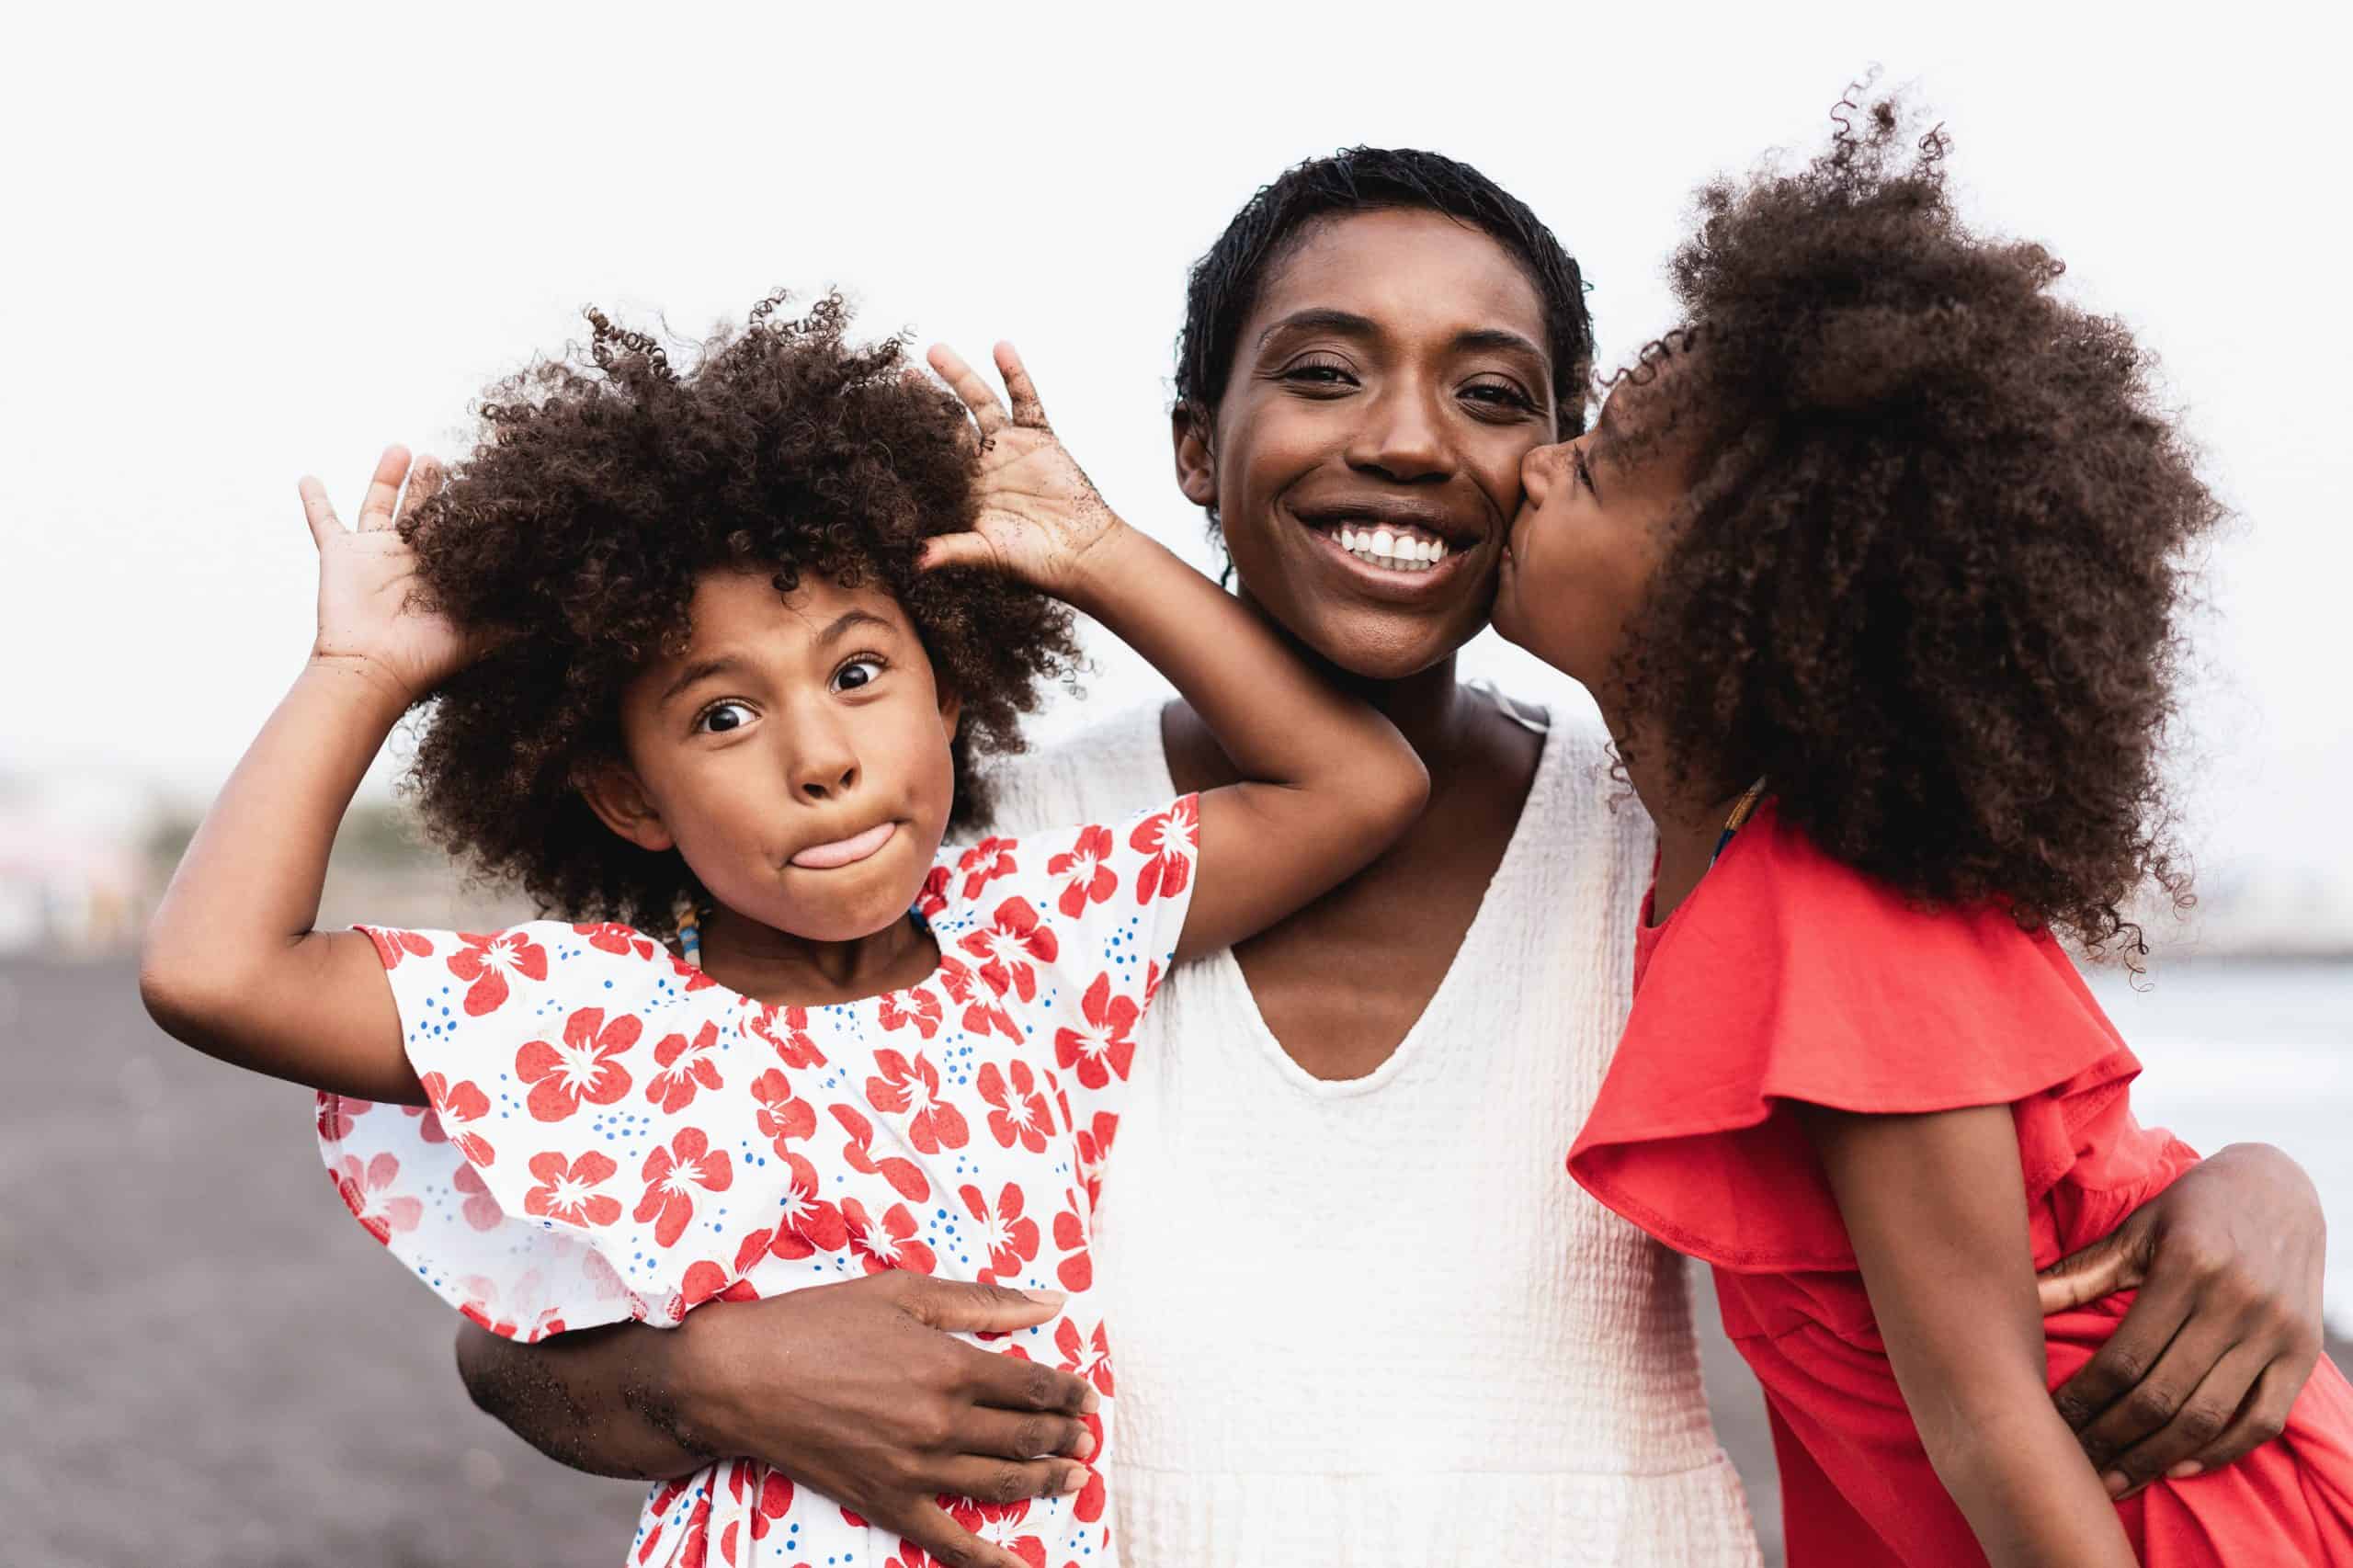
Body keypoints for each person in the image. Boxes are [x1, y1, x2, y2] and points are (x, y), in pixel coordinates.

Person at [450, 151, 2334, 1568]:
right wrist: (723, 1377)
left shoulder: (1695, 846)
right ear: (1194, 444)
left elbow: (2018, 1160)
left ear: (1561, 469)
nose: (1419, 445)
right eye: (1327, 373)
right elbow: (522, 1328)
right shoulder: (951, 849)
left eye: (1499, 395)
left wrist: (2260, 1191)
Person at [137, 296, 1429, 1567]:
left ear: (949, 693)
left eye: (859, 673)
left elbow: (1359, 785)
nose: (820, 757)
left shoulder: (1038, 941)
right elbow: (214, 972)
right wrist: (360, 674)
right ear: (630, 795)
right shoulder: (598, 1018)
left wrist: (1092, 549)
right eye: (722, 717)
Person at [1481, 93, 2353, 1564]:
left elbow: (1994, 1429)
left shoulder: (1828, 913)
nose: (1530, 463)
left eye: (1599, 458)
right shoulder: (1715, 880)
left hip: (2170, 1519)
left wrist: (2273, 1183)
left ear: (1733, 595)